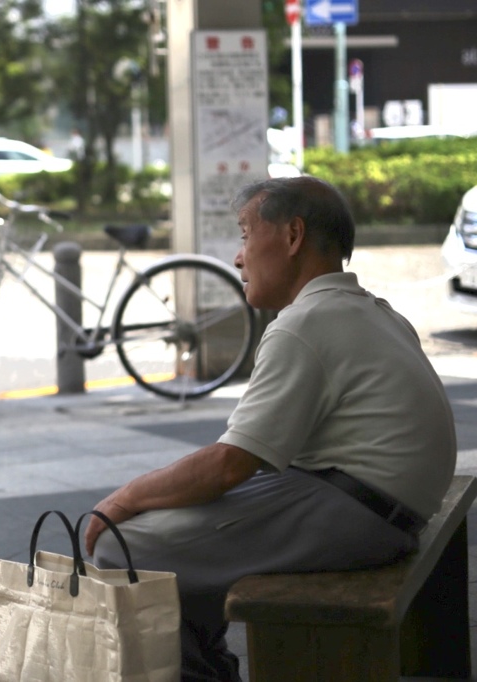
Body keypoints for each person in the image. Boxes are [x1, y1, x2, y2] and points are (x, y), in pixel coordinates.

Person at [84, 176, 456, 681]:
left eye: (244, 234)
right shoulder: (376, 311)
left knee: (119, 547)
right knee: (180, 536)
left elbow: (230, 464)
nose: (238, 257)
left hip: (358, 515)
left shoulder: (304, 324)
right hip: (387, 506)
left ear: (292, 235)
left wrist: (123, 499)